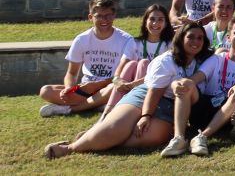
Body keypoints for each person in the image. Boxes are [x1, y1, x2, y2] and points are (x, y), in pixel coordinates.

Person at [44, 23, 211, 159]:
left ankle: (92, 139)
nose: (195, 41)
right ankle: (70, 148)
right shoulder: (166, 60)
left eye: (200, 38)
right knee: (115, 128)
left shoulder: (202, 61)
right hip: (145, 95)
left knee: (153, 137)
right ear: (181, 39)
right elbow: (154, 91)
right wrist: (146, 116)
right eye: (190, 37)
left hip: (169, 106)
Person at [174, 17, 235, 154]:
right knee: (186, 83)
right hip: (205, 107)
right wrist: (179, 83)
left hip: (229, 113)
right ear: (228, 37)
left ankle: (202, 137)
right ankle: (178, 139)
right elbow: (196, 78)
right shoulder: (217, 59)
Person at [39, 0, 133, 118]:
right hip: (85, 88)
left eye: (108, 15)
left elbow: (125, 76)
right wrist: (69, 88)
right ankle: (97, 104)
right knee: (46, 91)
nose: (104, 20)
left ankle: (70, 109)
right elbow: (72, 73)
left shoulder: (126, 40)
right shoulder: (81, 39)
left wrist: (96, 85)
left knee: (114, 88)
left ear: (114, 16)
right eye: (99, 16)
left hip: (110, 86)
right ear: (90, 17)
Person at [103, 4, 174, 112]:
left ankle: (131, 108)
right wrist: (118, 81)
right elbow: (121, 66)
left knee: (143, 63)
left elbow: (161, 75)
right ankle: (107, 112)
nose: (155, 23)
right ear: (145, 21)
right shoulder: (135, 42)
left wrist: (133, 84)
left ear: (166, 23)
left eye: (160, 20)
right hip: (129, 85)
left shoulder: (170, 45)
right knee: (131, 64)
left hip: (154, 86)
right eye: (152, 19)